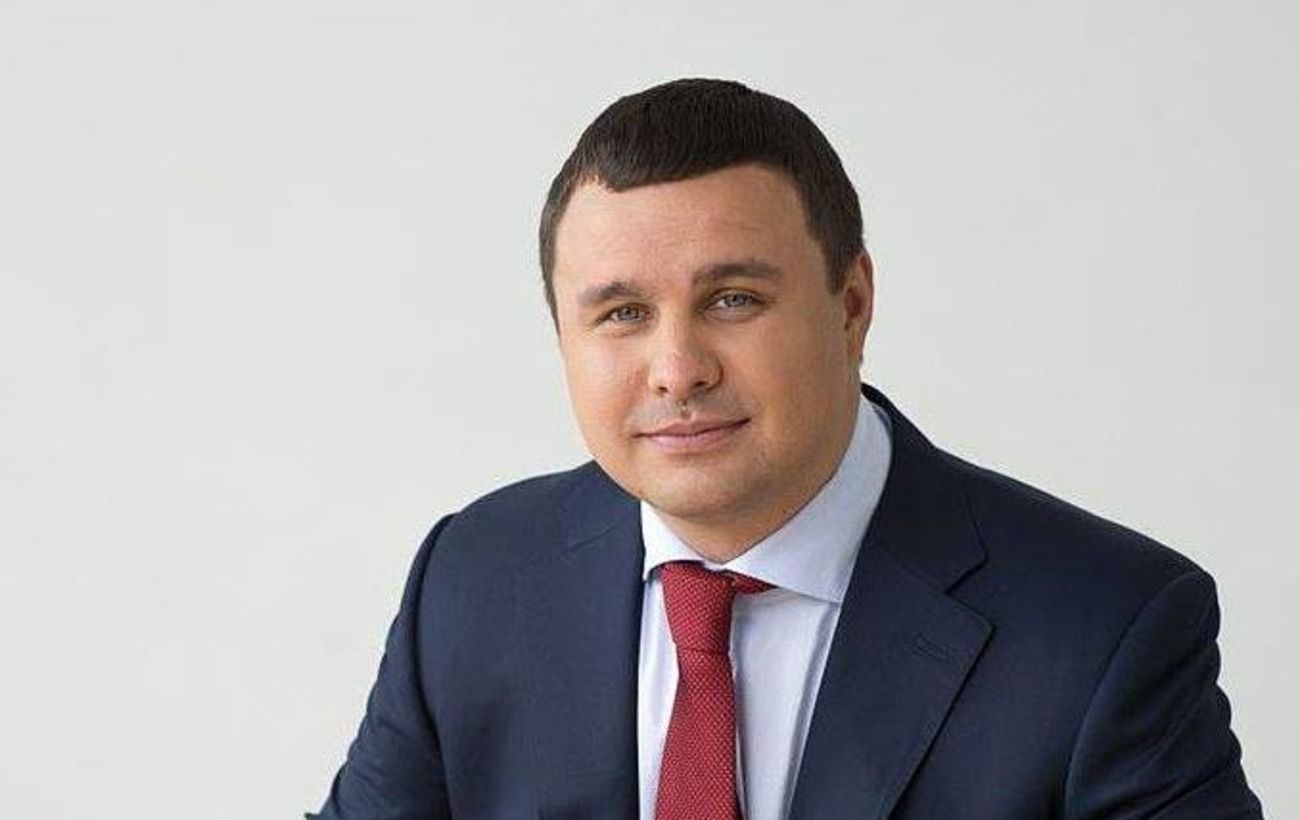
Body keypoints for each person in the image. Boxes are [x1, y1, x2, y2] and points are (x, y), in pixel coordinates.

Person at [308, 78, 1263, 819]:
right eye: (622, 313)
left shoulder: (1105, 627)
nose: (677, 370)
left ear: (852, 306)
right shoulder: (473, 579)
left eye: (734, 300)